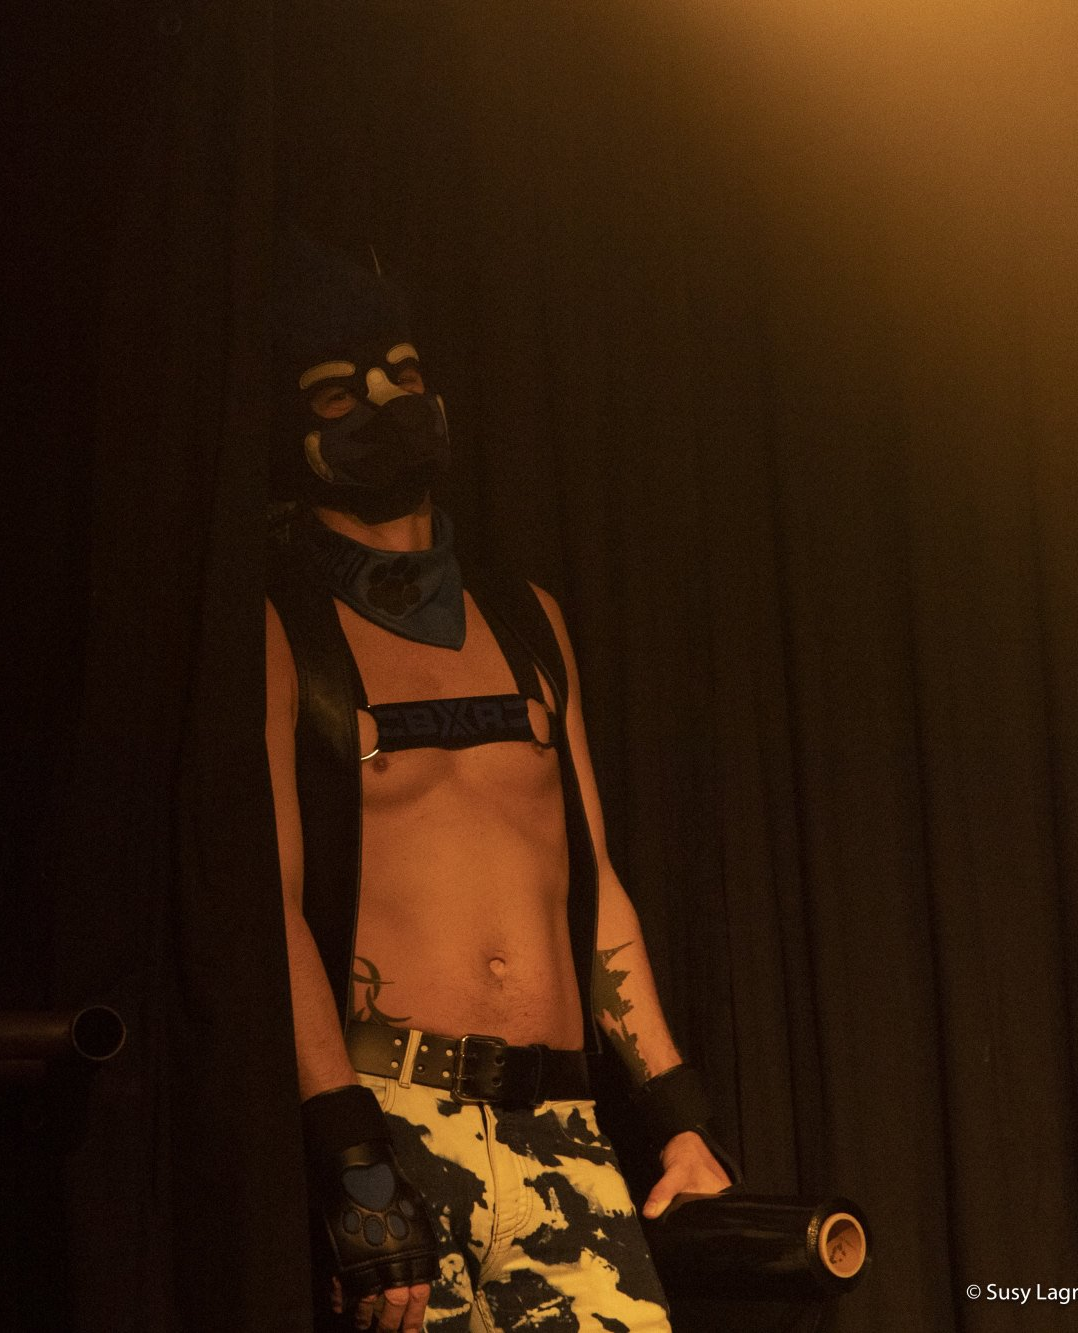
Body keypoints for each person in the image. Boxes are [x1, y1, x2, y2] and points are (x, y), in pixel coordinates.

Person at [266, 238, 734, 1333]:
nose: (384, 403)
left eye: (403, 374)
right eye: (339, 392)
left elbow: (591, 878)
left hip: (563, 1127)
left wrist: (674, 1111)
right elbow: (267, 905)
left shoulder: (527, 620)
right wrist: (349, 1154)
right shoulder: (284, 630)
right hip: (398, 1122)